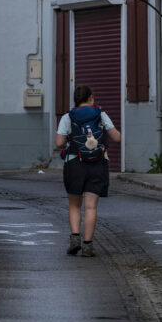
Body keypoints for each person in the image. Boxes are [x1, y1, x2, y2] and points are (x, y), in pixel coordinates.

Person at [55, 84, 121, 257]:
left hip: (74, 163)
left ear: (75, 101)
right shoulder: (101, 114)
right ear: (91, 98)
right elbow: (117, 137)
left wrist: (71, 139)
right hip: (97, 164)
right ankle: (88, 245)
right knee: (90, 207)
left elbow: (59, 142)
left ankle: (75, 238)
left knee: (74, 205)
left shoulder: (68, 117)